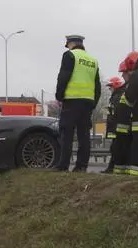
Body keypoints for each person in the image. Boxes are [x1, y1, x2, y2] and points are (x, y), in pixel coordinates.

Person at [53, 34, 101, 172]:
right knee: (84, 135)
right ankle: (81, 166)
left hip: (72, 101)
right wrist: (93, 103)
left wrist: (59, 96)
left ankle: (63, 165)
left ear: (71, 44)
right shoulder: (93, 60)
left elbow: (63, 76)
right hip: (87, 102)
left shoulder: (70, 55)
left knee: (66, 134)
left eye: (67, 45)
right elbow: (97, 86)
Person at [101, 76, 126, 173]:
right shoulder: (117, 96)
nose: (109, 88)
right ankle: (112, 168)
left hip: (117, 128)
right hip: (117, 128)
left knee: (116, 149)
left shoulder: (117, 97)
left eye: (110, 86)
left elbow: (116, 114)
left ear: (116, 86)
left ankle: (112, 168)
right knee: (115, 148)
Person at [112, 60, 133, 174]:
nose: (122, 75)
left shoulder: (129, 87)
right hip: (122, 125)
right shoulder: (126, 87)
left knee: (125, 149)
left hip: (128, 125)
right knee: (119, 148)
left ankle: (124, 171)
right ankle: (119, 171)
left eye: (123, 73)